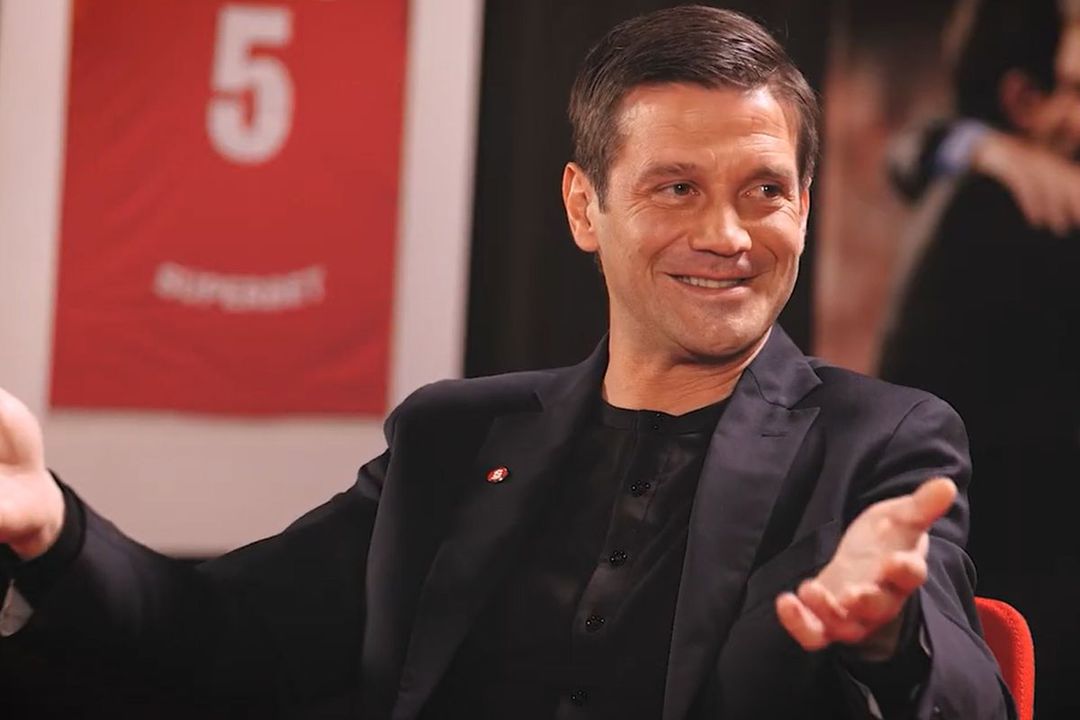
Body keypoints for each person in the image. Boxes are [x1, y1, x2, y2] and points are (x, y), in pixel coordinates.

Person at [1, 7, 1009, 719]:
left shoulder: (880, 442)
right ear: (584, 207)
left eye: (765, 190)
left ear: (805, 204)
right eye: (675, 189)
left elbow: (973, 695)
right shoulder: (450, 440)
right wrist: (52, 527)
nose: (728, 235)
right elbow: (222, 637)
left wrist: (892, 642)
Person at [880, 0, 1080, 716]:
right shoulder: (1027, 215)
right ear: (1026, 100)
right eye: (1076, 84)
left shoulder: (978, 190)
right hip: (1022, 599)